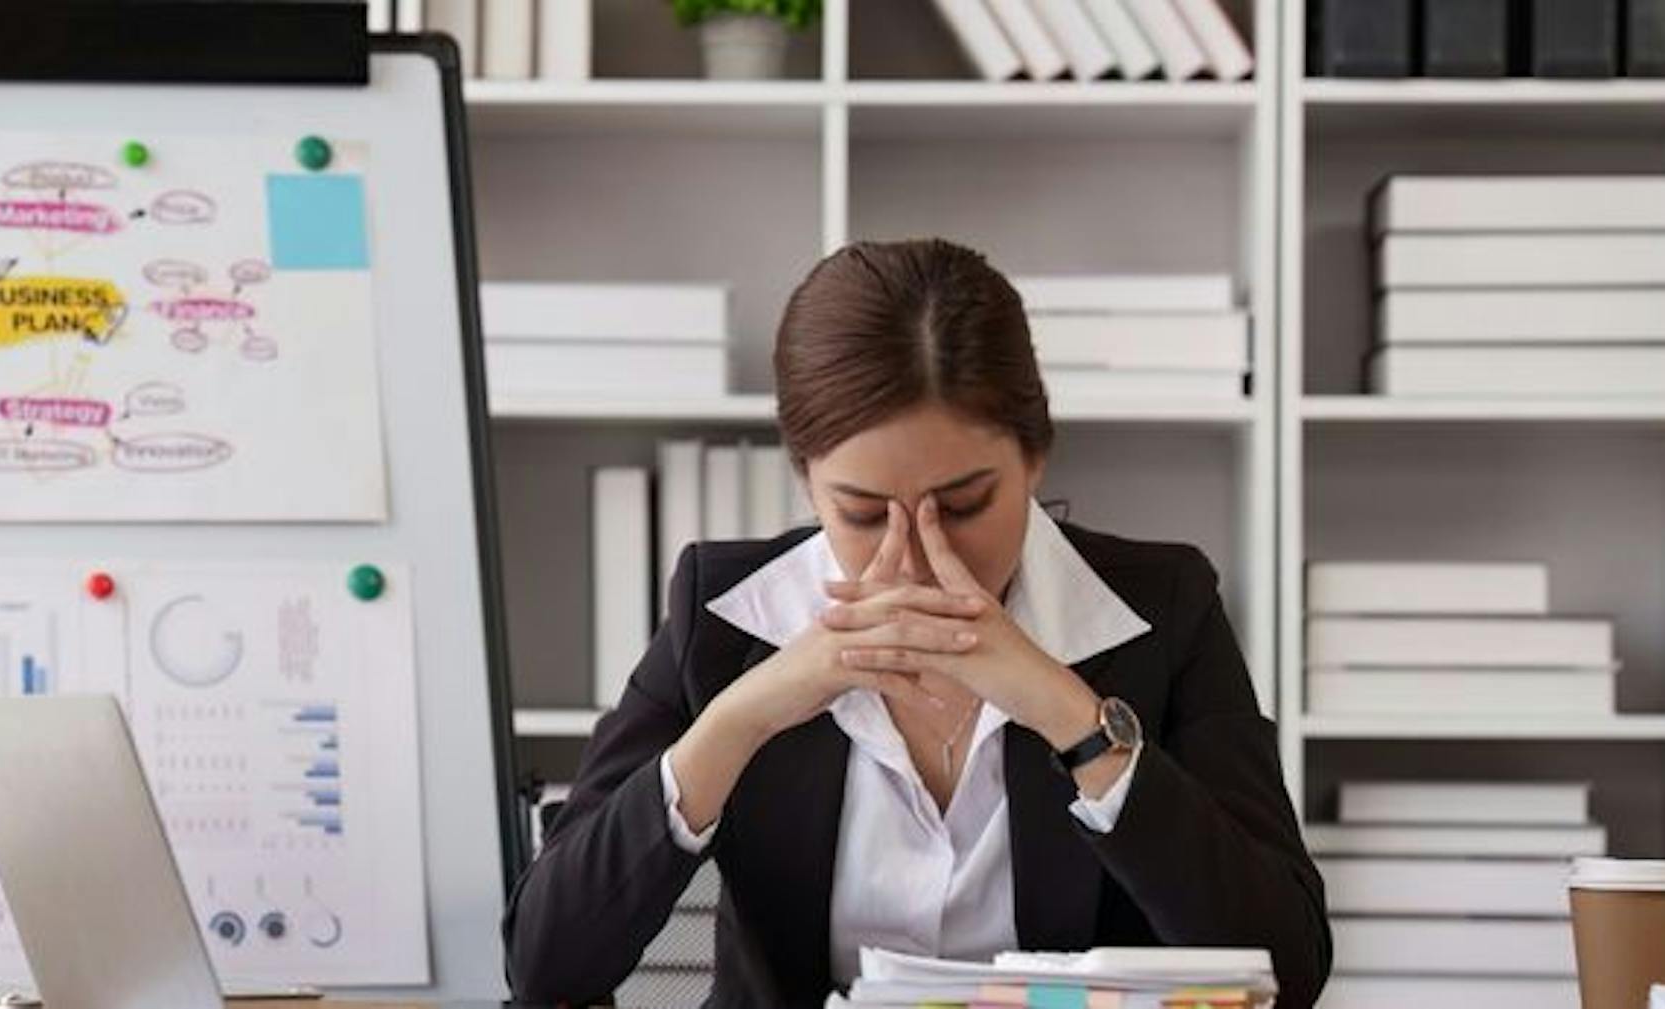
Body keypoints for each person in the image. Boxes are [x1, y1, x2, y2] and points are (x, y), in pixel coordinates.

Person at [502, 238, 1330, 1008]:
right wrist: (744, 715)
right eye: (862, 513)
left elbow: (1286, 966)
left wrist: (1071, 718)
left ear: (1036, 455)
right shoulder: (722, 615)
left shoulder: (1163, 609)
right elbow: (545, 964)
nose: (916, 554)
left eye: (965, 504)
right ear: (805, 478)